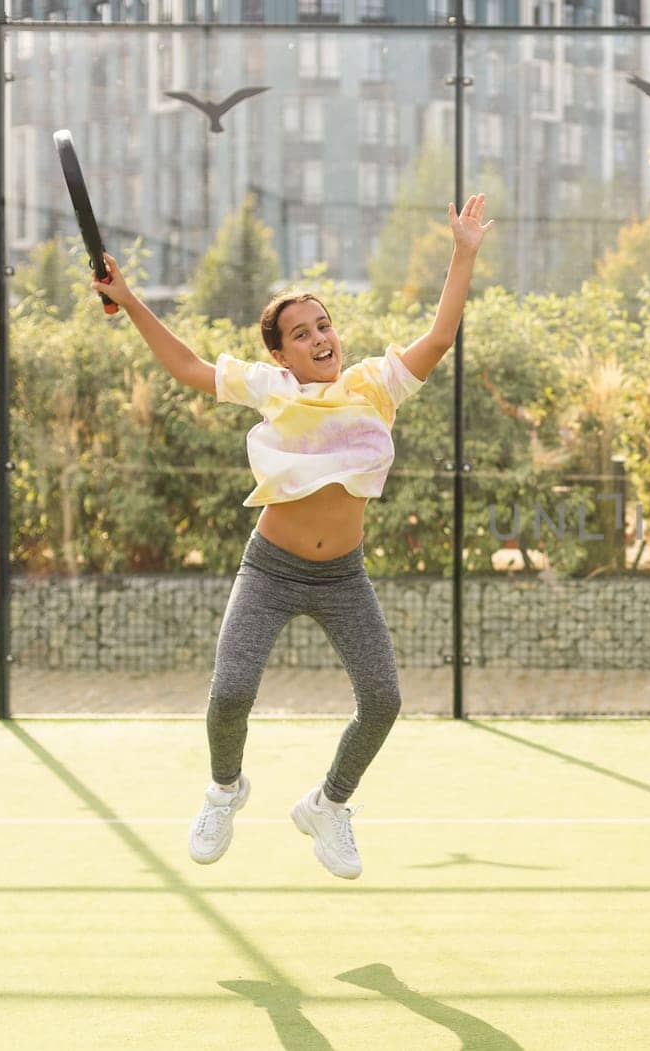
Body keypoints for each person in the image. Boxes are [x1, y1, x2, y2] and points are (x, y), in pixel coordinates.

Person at [90, 196, 493, 879]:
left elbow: (439, 337)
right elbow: (186, 365)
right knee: (230, 692)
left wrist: (463, 253)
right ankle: (224, 790)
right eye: (300, 332)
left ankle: (328, 805)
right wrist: (127, 298)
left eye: (324, 324)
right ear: (278, 351)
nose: (318, 338)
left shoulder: (373, 384)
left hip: (343, 576)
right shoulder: (269, 387)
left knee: (383, 700)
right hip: (270, 568)